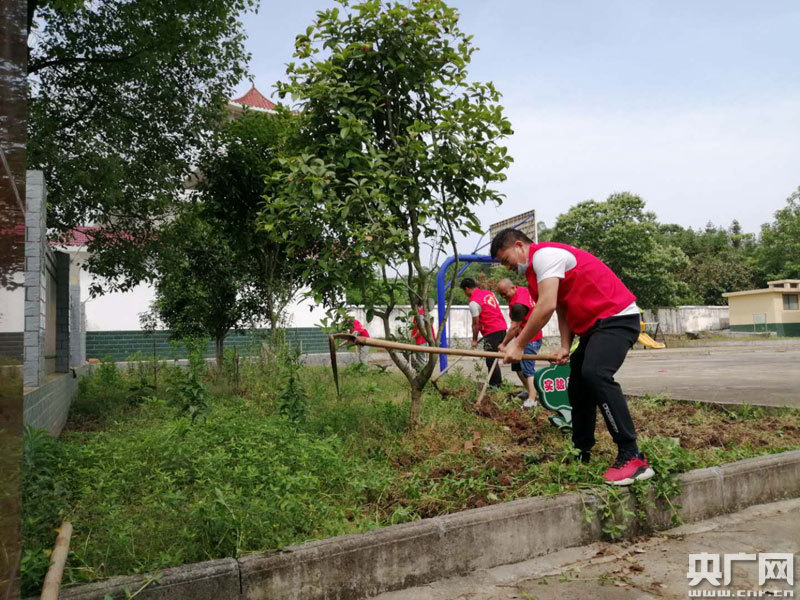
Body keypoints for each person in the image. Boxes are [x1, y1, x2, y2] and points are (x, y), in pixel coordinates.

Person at [490, 228, 654, 486]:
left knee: (595, 374)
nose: (506, 267)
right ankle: (581, 451)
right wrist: (566, 345)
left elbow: (546, 306)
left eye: (506, 259)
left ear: (520, 246)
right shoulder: (535, 276)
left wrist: (519, 345)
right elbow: (563, 306)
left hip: (618, 317)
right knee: (577, 387)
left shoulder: (545, 256)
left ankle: (633, 456)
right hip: (594, 327)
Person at [496, 278, 542, 407]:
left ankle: (533, 399)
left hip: (530, 339)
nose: (504, 297)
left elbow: (514, 327)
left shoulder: (518, 305)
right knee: (516, 365)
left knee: (528, 370)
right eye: (501, 295)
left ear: (512, 288)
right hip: (523, 337)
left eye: (505, 293)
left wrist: (504, 344)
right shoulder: (522, 290)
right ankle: (529, 391)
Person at [459, 278, 507, 388]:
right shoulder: (489, 293)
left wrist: (474, 340)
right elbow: (494, 308)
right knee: (494, 358)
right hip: (502, 329)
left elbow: (476, 324)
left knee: (491, 359)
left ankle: (496, 386)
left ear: (466, 289)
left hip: (491, 331)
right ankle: (497, 384)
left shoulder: (473, 302)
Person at [409, 306, 434, 371]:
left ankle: (423, 374)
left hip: (422, 340)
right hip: (423, 339)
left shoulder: (420, 314)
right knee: (421, 359)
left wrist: (413, 337)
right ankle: (421, 372)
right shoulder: (423, 312)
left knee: (421, 360)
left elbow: (421, 329)